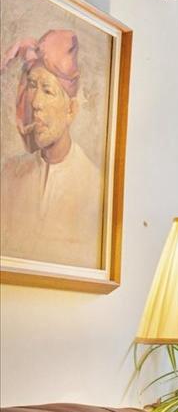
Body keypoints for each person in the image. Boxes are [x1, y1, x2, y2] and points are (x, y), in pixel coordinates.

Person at [1, 29, 102, 269]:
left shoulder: (94, 184)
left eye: (47, 90)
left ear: (71, 110)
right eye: (32, 86)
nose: (35, 102)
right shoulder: (9, 174)